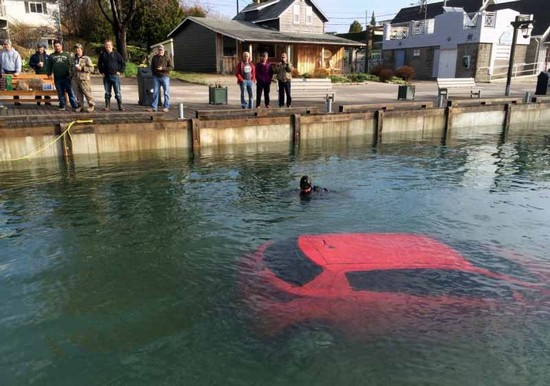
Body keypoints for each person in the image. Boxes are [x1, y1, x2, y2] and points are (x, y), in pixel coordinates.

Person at [47, 40, 79, 111]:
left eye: (58, 46)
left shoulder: (67, 55)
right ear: (54, 47)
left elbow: (72, 65)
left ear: (61, 46)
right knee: (60, 92)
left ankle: (75, 106)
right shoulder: (51, 56)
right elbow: (49, 66)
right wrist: (49, 74)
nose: (57, 47)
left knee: (70, 92)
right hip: (57, 78)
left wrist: (72, 75)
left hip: (67, 77)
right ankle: (62, 105)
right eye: (55, 46)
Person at [97, 40, 126, 111]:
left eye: (109, 45)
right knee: (107, 92)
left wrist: (120, 71)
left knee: (118, 92)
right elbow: (99, 64)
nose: (108, 47)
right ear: (105, 46)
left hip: (115, 76)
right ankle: (107, 106)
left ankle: (120, 106)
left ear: (112, 46)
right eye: (106, 45)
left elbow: (123, 63)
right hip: (106, 76)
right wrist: (102, 72)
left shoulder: (116, 54)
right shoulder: (102, 54)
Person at [72, 43, 95, 113]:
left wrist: (82, 68)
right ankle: (80, 106)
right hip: (75, 79)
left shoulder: (86, 58)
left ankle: (91, 106)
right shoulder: (73, 58)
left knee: (87, 93)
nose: (77, 50)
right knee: (78, 94)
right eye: (76, 49)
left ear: (81, 49)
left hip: (84, 79)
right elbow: (71, 67)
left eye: (78, 48)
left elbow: (91, 68)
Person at [150, 45, 173, 112]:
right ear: (158, 50)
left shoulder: (167, 57)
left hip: (165, 77)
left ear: (163, 50)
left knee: (166, 93)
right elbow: (152, 67)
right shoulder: (154, 57)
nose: (160, 51)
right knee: (155, 92)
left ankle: (166, 107)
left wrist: (163, 68)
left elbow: (171, 67)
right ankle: (154, 107)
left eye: (161, 50)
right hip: (156, 77)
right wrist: (153, 74)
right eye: (159, 50)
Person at [1, 39, 22, 105]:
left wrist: (18, 71)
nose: (6, 46)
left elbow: (18, 63)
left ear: (10, 45)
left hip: (13, 72)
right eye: (5, 44)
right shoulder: (2, 53)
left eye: (7, 44)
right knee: (2, 86)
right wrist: (1, 71)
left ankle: (16, 101)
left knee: (15, 87)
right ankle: (1, 102)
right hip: (4, 71)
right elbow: (0, 63)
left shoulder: (15, 53)